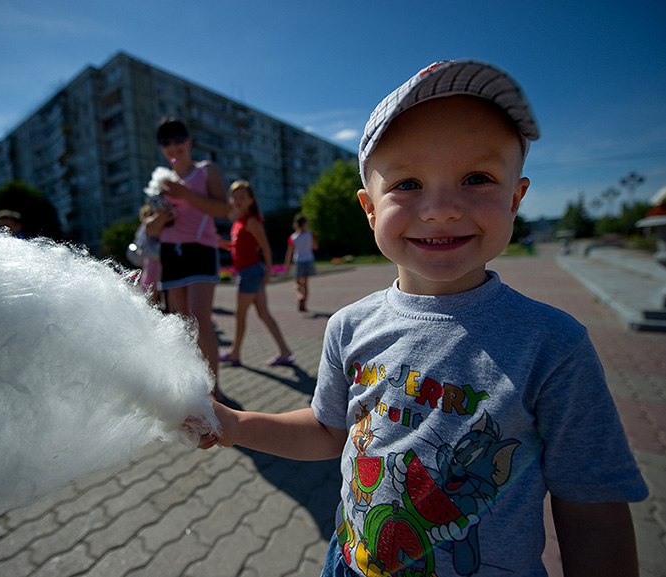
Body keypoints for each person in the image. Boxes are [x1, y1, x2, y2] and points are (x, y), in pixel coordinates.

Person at [195, 61, 648, 576]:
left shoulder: (553, 345)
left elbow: (592, 510)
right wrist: (236, 425)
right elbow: (328, 432)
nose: (441, 208)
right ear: (370, 209)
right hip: (350, 562)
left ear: (516, 198)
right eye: (408, 183)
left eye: (477, 178)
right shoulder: (348, 325)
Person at [144, 117, 231, 402]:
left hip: (200, 248)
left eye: (178, 139)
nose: (173, 146)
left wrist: (186, 195)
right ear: (161, 147)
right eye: (166, 142)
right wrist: (160, 219)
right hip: (171, 252)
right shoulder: (160, 181)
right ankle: (193, 385)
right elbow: (150, 229)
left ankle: (214, 388)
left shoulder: (205, 171)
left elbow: (224, 210)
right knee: (181, 324)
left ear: (188, 141)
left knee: (199, 320)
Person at [219, 180, 293, 367]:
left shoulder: (251, 221)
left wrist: (268, 270)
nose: (237, 200)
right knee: (263, 314)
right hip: (249, 272)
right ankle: (284, 351)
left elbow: (265, 247)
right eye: (234, 197)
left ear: (251, 200)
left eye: (242, 197)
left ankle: (234, 353)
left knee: (240, 315)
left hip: (250, 272)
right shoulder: (238, 222)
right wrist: (222, 243)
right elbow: (238, 248)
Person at [284, 214, 317, 311]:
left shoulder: (293, 237)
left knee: (297, 283)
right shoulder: (310, 235)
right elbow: (315, 247)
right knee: (305, 284)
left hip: (299, 261)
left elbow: (290, 253)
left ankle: (300, 296)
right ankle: (304, 304)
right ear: (305, 224)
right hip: (309, 259)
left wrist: (287, 265)